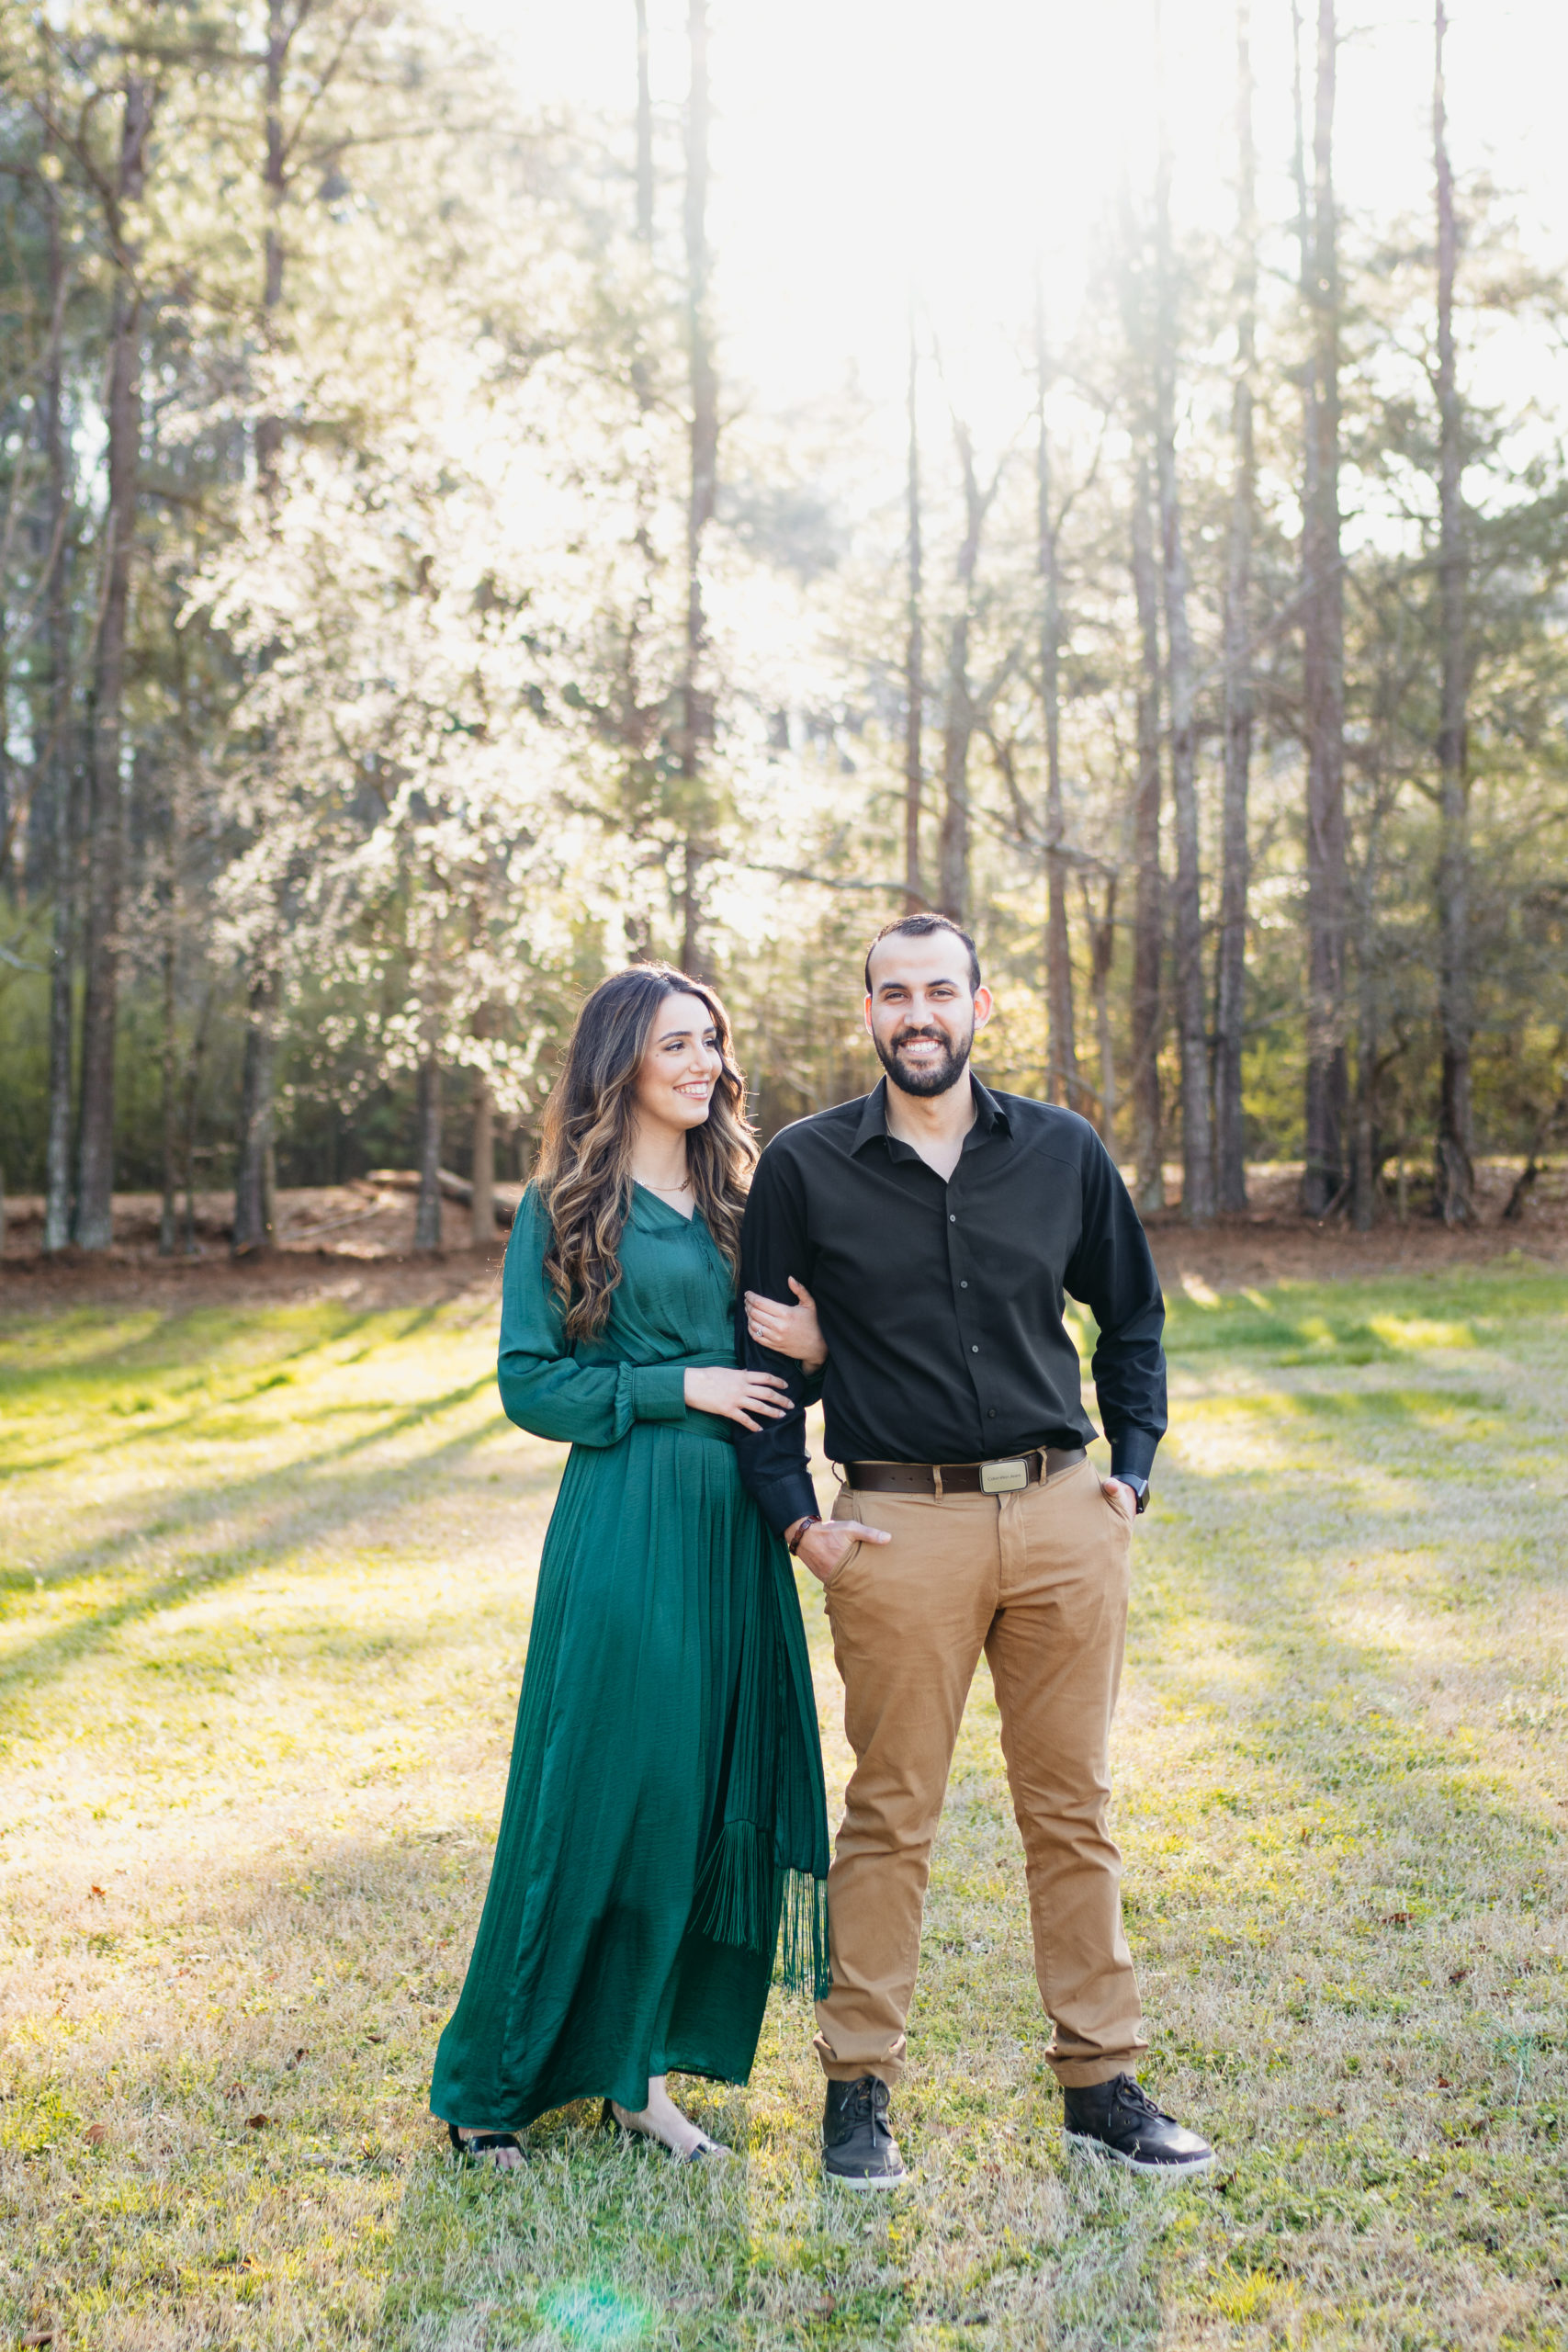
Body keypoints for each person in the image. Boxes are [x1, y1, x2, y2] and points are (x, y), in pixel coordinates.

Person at [736, 912, 1214, 2188]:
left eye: (939, 992)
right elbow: (761, 1356)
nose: (918, 1016)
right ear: (871, 1015)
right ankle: (858, 2093)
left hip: (1063, 1515)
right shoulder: (803, 1166)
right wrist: (801, 1518)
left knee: (1075, 1810)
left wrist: (1132, 1469)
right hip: (900, 1525)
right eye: (895, 995)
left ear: (980, 1007)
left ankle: (1102, 2086)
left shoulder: (1059, 1152)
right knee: (891, 1813)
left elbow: (1135, 1316)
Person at [431, 964, 832, 2168]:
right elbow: (529, 1381)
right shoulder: (560, 1206)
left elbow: (782, 1376)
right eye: (676, 1045)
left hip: (734, 1540)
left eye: (713, 1041)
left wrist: (814, 1349)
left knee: (704, 1808)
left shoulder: (747, 1201)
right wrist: (678, 1386)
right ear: (622, 1064)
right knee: (601, 1800)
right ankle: (487, 2087)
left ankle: (639, 2079)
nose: (703, 1063)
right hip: (624, 1532)